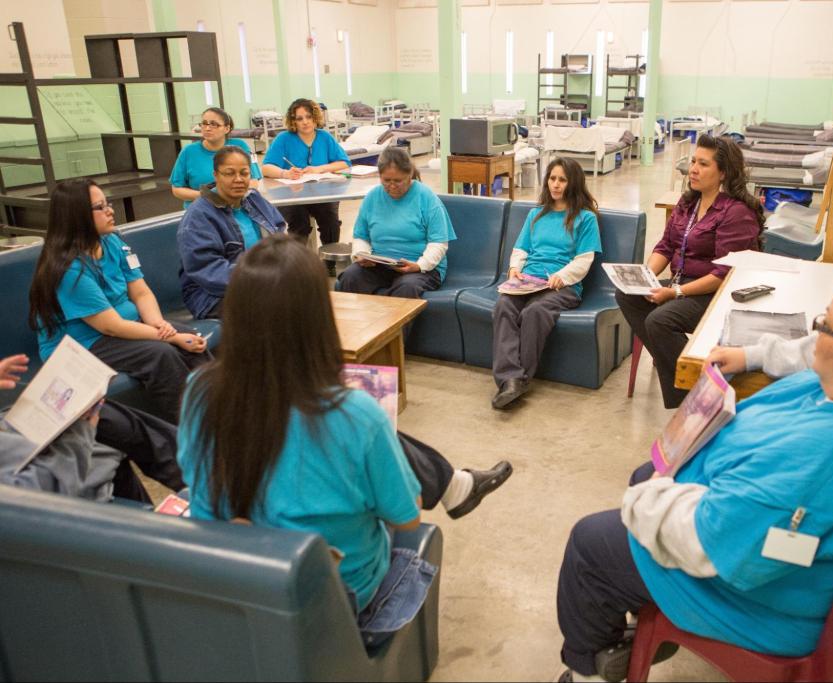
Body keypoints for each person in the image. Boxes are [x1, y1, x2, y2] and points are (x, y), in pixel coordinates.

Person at [554, 266, 833, 683]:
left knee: (591, 542)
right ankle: (634, 603)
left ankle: (586, 665)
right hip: (759, 537)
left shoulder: (826, 465)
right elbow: (806, 355)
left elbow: (721, 542)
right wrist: (752, 354)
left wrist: (648, 499)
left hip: (759, 597)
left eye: (824, 324)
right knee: (642, 474)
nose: (815, 333)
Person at [177, 236, 512, 640]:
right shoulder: (353, 413)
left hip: (239, 582)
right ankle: (453, 485)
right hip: (337, 598)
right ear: (318, 316)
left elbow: (198, 483)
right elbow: (405, 517)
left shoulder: (198, 390)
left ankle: (455, 484)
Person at [27, 180, 209, 424]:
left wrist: (160, 325)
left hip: (122, 327)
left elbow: (141, 293)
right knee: (160, 353)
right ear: (77, 215)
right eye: (100, 207)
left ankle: (219, 410)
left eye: (107, 204)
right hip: (83, 343)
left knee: (191, 337)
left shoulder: (112, 241)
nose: (110, 211)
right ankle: (195, 431)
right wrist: (170, 336)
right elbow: (109, 326)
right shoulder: (68, 268)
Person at [616, 134, 763, 409]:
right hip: (682, 282)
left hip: (717, 293)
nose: (693, 169)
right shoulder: (688, 203)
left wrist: (675, 292)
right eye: (693, 161)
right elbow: (667, 245)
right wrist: (644, 278)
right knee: (626, 295)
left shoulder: (736, 213)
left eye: (703, 164)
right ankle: (681, 373)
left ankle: (695, 399)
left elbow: (724, 273)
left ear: (723, 172)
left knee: (659, 321)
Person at [490, 157, 602, 410]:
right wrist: (514, 270)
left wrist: (562, 276)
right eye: (552, 178)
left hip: (563, 286)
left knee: (535, 311)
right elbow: (520, 249)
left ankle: (519, 380)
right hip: (528, 280)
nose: (556, 184)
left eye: (562, 179)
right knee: (504, 306)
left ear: (573, 183)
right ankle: (509, 379)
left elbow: (585, 260)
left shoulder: (586, 219)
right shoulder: (535, 214)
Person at [0, 353, 184, 502]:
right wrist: (80, 433)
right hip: (48, 484)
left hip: (13, 438)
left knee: (105, 417)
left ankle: (197, 475)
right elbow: (38, 494)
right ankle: (200, 480)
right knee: (103, 444)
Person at [178, 146, 288, 319]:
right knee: (276, 308)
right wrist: (260, 278)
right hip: (213, 295)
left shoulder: (253, 199)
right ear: (216, 175)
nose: (238, 179)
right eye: (229, 173)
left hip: (263, 281)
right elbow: (208, 270)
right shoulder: (198, 216)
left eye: (244, 173)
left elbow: (280, 232)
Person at [335, 146, 456, 300]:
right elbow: (361, 236)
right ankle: (365, 324)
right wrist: (361, 254)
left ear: (410, 175)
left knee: (407, 287)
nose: (392, 186)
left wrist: (420, 265)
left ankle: (396, 325)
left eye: (398, 181)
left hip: (420, 268)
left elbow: (439, 243)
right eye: (386, 180)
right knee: (350, 276)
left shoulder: (427, 198)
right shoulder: (372, 197)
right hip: (380, 265)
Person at [261, 98, 351, 249]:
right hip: (291, 195)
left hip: (322, 194)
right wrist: (285, 173)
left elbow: (344, 163)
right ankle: (298, 263)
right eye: (299, 118)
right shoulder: (283, 139)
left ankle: (330, 261)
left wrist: (319, 169)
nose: (305, 122)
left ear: (315, 117)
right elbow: (266, 168)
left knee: (330, 221)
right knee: (299, 222)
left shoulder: (325, 137)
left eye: (308, 117)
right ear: (293, 121)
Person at [170, 107, 261, 206]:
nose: (207, 128)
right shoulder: (188, 152)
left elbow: (253, 182)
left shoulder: (241, 147)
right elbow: (177, 189)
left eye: (214, 124)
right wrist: (207, 196)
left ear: (227, 128)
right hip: (201, 211)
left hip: (235, 208)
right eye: (204, 123)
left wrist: (231, 197)